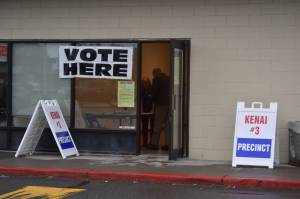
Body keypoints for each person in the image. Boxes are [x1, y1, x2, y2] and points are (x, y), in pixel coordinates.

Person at [148, 68, 170, 150]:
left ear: (155, 74)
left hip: (161, 105)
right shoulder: (169, 78)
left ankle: (154, 144)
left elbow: (154, 93)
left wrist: (150, 99)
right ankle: (168, 144)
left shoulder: (156, 79)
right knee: (168, 125)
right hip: (170, 104)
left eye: (153, 74)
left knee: (157, 124)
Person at [141, 77, 153, 146]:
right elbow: (141, 101)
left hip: (151, 111)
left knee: (152, 127)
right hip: (144, 111)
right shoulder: (141, 91)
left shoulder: (151, 91)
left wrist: (153, 110)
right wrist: (141, 110)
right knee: (144, 127)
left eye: (146, 82)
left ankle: (151, 141)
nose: (145, 84)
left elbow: (154, 101)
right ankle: (145, 142)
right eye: (144, 82)